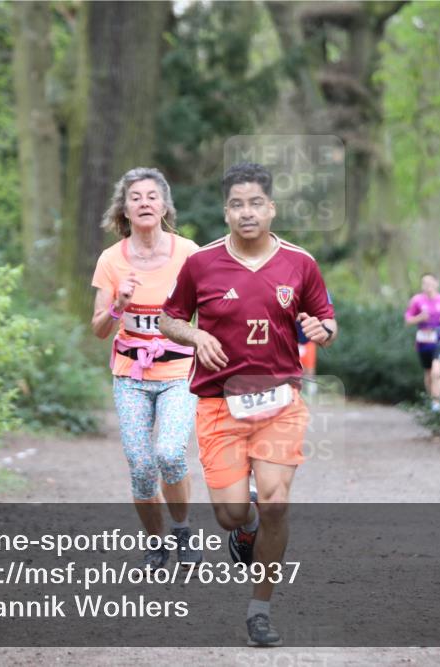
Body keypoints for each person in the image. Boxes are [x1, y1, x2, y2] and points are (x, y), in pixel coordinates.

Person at [160, 162, 337, 647]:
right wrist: (195, 334)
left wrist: (325, 329)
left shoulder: (300, 263)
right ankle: (246, 524)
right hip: (219, 403)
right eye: (237, 204)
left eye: (256, 203)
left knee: (278, 501)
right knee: (231, 515)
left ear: (271, 208)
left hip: (281, 401)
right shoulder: (202, 264)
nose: (247, 212)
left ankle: (260, 608)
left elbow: (324, 316)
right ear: (226, 212)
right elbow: (169, 318)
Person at [90, 167, 202, 570]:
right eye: (135, 197)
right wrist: (118, 304)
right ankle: (155, 544)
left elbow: (215, 306)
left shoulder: (189, 253)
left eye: (152, 196)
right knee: (141, 467)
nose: (144, 203)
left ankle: (184, 529)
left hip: (178, 374)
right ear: (124, 208)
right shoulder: (111, 260)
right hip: (131, 376)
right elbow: (100, 328)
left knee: (170, 454)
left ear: (164, 205)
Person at [404, 273, 440, 412]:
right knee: (428, 372)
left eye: (430, 283)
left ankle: (437, 403)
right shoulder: (417, 300)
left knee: (437, 372)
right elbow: (408, 320)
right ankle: (432, 401)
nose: (427, 286)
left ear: (436, 283)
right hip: (424, 342)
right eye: (424, 283)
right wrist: (420, 317)